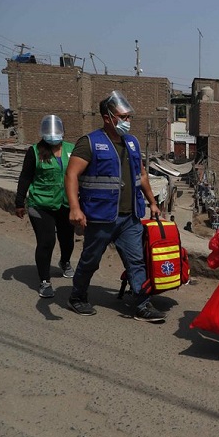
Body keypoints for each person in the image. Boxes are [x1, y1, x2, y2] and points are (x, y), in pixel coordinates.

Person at [65, 90, 165, 322]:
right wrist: (74, 207)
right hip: (100, 216)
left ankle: (142, 303)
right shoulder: (89, 142)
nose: (127, 122)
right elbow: (71, 174)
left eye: (129, 117)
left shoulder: (132, 142)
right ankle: (77, 297)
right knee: (91, 260)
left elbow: (141, 175)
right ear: (107, 117)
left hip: (129, 217)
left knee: (136, 260)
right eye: (123, 117)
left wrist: (152, 202)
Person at [15, 115, 76, 298]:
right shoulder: (34, 151)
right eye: (49, 133)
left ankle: (65, 262)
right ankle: (44, 281)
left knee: (67, 239)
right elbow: (25, 177)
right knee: (46, 241)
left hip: (65, 203)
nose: (53, 136)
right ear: (43, 134)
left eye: (56, 132)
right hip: (40, 204)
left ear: (62, 132)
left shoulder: (71, 150)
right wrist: (19, 202)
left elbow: (79, 175)